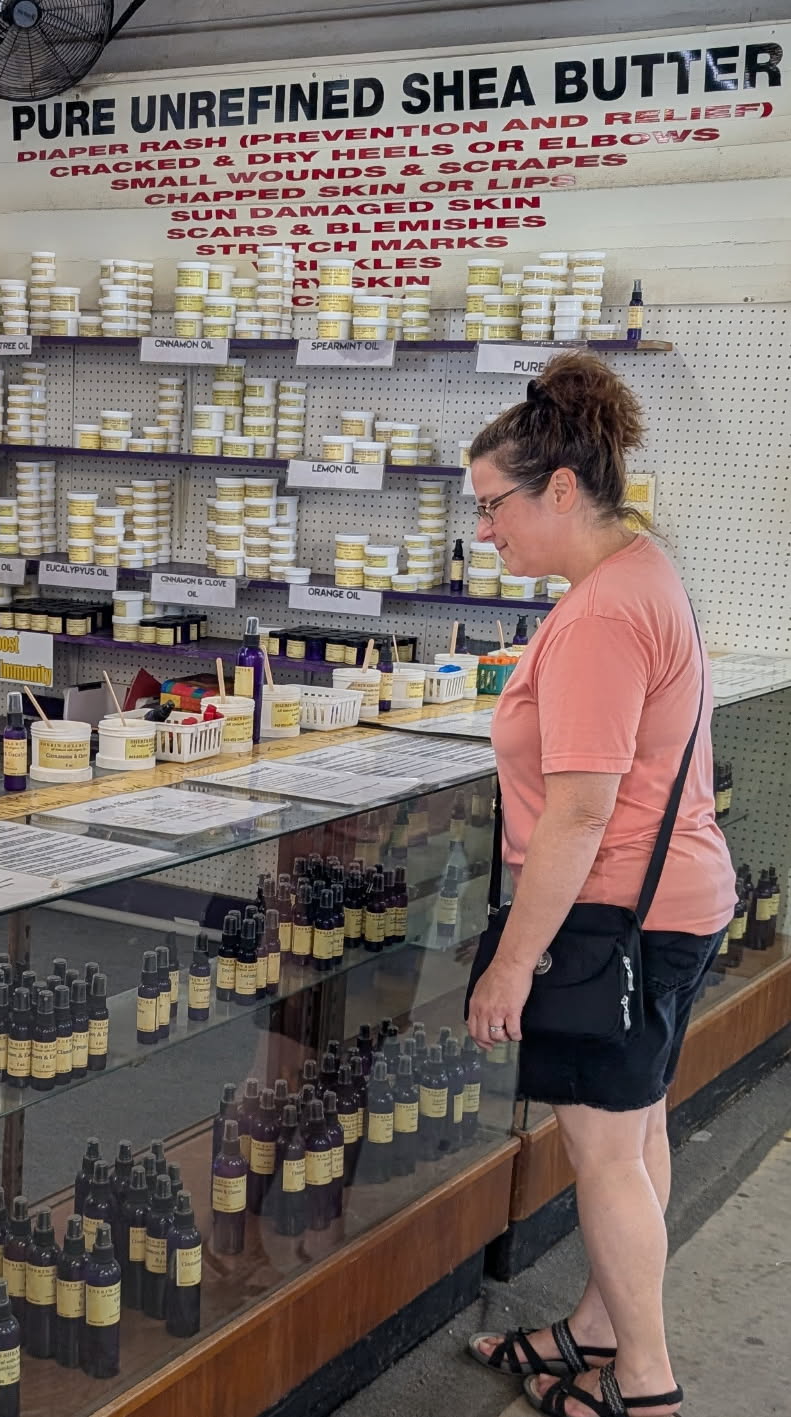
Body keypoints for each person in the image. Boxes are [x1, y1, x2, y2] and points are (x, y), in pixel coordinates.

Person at [461, 353, 733, 1417]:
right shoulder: (638, 570)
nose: (488, 532)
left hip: (614, 916)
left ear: (560, 490)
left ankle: (648, 1388)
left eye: (494, 508)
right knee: (640, 1127)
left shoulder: (602, 617)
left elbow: (579, 810)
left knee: (605, 1154)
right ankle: (596, 1330)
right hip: (673, 903)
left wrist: (513, 965)